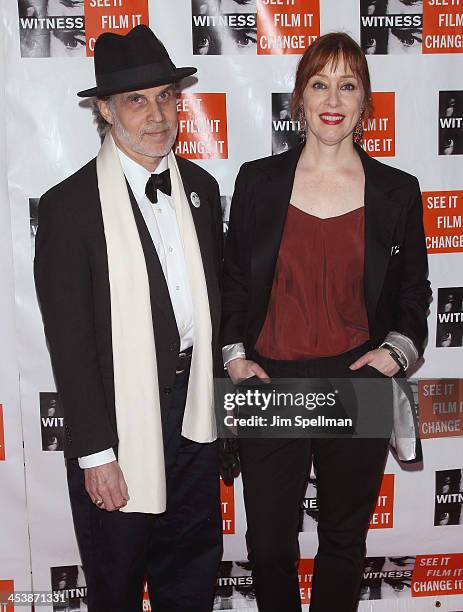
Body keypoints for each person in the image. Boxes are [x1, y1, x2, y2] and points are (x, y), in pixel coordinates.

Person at [221, 32, 431, 612]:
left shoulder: (398, 192)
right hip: (269, 383)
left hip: (357, 380)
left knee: (343, 541)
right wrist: (235, 355)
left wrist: (396, 352)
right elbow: (234, 281)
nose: (332, 98)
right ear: (299, 99)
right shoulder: (256, 183)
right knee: (267, 546)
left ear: (365, 103)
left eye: (347, 85)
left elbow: (416, 293)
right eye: (319, 84)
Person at [34, 25, 223, 612]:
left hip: (194, 418)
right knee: (116, 585)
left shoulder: (201, 188)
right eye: (137, 100)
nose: (157, 114)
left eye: (166, 95)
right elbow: (69, 343)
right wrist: (95, 454)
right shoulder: (68, 209)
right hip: (118, 428)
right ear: (106, 111)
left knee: (191, 577)